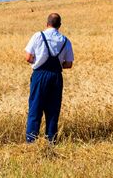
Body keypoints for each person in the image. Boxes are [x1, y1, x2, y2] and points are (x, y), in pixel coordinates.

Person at [24, 13, 74, 143]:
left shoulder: (38, 36)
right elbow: (68, 64)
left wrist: (39, 60)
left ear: (47, 24)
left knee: (35, 108)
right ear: (59, 25)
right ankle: (51, 141)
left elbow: (28, 57)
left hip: (39, 75)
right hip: (56, 77)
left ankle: (31, 141)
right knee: (53, 110)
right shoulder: (65, 40)